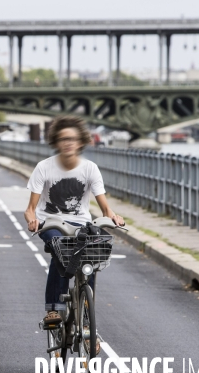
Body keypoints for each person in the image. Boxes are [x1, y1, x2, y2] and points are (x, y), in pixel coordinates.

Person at [24, 116, 125, 327]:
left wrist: (112, 216)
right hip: (50, 223)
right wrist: (33, 220)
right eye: (63, 139)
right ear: (56, 142)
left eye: (72, 139)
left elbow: (104, 205)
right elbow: (30, 209)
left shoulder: (90, 169)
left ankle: (87, 322)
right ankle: (54, 308)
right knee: (59, 248)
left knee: (91, 256)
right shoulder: (44, 167)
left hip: (80, 223)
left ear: (80, 142)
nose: (68, 142)